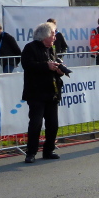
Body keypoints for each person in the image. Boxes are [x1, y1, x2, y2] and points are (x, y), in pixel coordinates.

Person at [21, 22, 65, 164]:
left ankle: (49, 150)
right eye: (53, 34)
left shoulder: (51, 49)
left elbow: (52, 68)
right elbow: (27, 65)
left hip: (51, 92)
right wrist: (46, 66)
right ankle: (31, 153)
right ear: (44, 35)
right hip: (36, 93)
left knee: (53, 124)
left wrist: (59, 71)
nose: (55, 38)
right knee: (36, 124)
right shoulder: (30, 48)